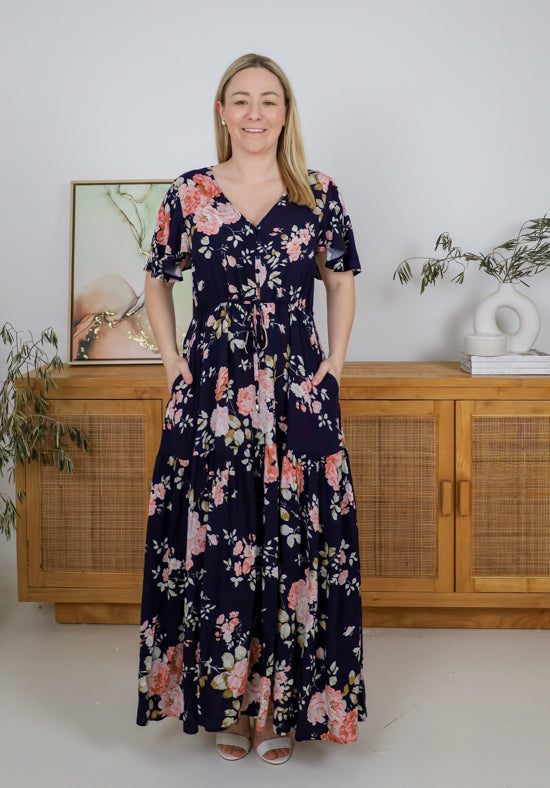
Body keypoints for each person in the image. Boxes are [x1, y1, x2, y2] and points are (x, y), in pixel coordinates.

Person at [137, 53, 367, 764]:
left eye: (269, 100)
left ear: (286, 112)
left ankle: (286, 708)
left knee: (297, 540)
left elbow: (342, 279)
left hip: (297, 387)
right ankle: (229, 706)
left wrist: (335, 360)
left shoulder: (317, 191)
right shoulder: (190, 194)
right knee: (217, 540)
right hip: (212, 391)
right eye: (242, 100)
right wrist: (174, 361)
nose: (256, 113)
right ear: (221, 111)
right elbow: (157, 280)